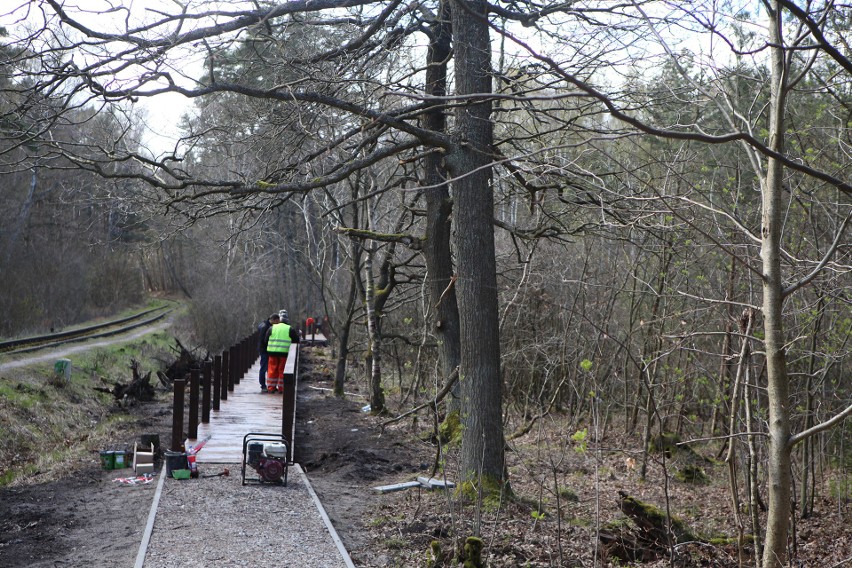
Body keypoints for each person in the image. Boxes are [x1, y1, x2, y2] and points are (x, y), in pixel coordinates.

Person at [265, 312, 300, 393]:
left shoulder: (272, 328)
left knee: (272, 370)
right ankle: (282, 388)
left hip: (272, 353)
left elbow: (265, 340)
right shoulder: (289, 328)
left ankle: (271, 387)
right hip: (284, 353)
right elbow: (296, 340)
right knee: (282, 371)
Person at [256, 313, 280, 393]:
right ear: (274, 320)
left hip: (264, 349)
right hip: (264, 350)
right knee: (264, 368)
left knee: (266, 367)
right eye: (277, 321)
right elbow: (263, 340)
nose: (278, 323)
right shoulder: (266, 327)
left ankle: (269, 385)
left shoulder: (264, 324)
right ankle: (263, 385)